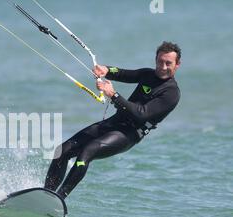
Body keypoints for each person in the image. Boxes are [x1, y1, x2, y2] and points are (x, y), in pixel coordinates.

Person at [44, 41, 181, 199]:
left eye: (168, 63)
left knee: (86, 153)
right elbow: (123, 74)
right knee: (62, 151)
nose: (163, 67)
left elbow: (141, 114)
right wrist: (106, 70)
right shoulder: (148, 74)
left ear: (177, 65)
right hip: (114, 123)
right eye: (160, 61)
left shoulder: (172, 93)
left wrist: (113, 95)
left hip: (129, 134)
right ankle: (46, 194)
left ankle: (59, 198)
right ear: (155, 59)